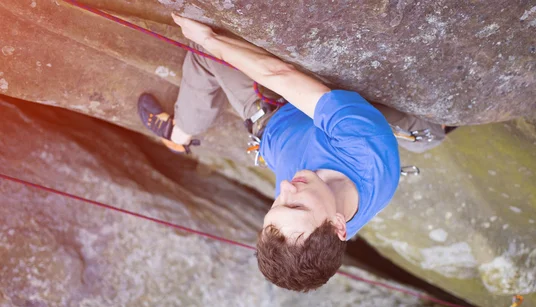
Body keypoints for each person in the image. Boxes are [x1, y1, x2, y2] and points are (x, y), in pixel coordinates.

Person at [139, 14, 446, 292]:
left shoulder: (320, 229)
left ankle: (180, 136)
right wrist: (209, 38)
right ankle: (181, 132)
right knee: (206, 46)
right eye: (296, 206)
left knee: (209, 55)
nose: (285, 188)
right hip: (292, 114)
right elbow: (279, 73)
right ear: (341, 226)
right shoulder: (363, 147)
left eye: (276, 206)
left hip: (270, 126)